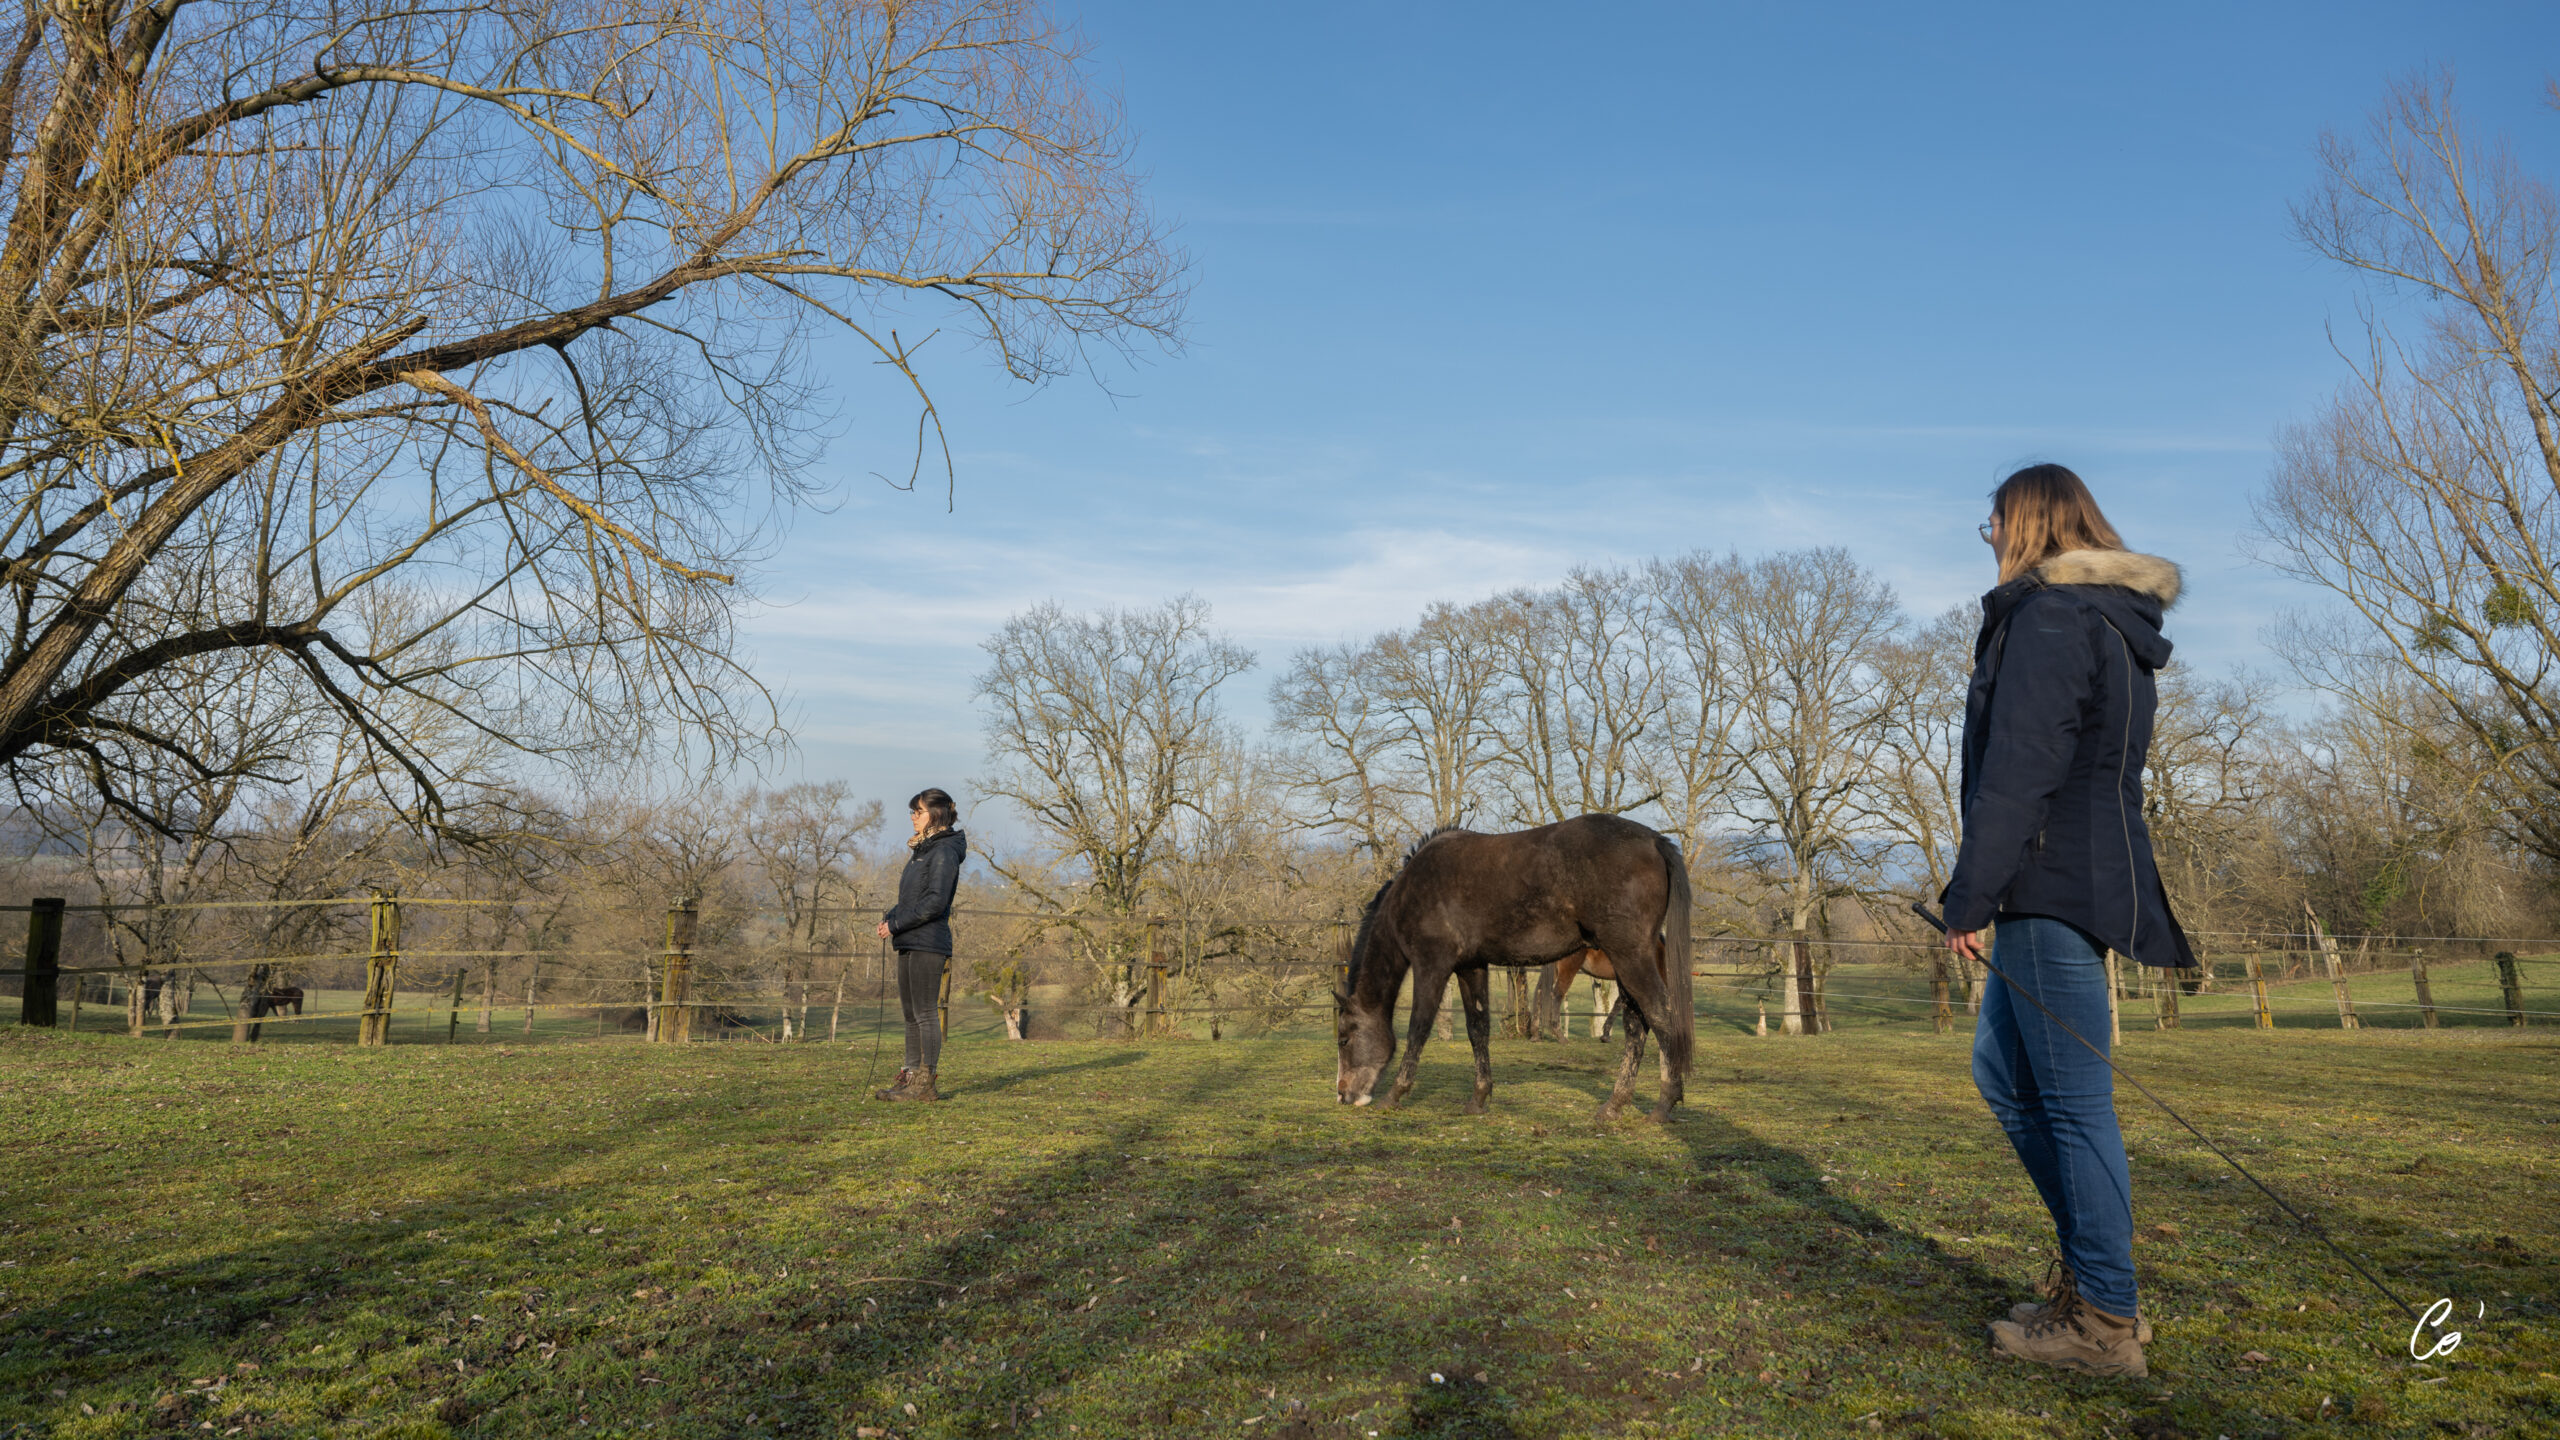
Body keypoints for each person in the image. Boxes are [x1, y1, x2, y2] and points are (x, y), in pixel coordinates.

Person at [1939, 463, 2196, 1378]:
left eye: (1994, 526)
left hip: (2048, 884)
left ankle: (2105, 1320)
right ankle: (2096, 1283)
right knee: (2005, 1076)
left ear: (2028, 524)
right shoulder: (2115, 623)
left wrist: (1969, 896)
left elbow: (2021, 770)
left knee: (2074, 1103)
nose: (1992, 541)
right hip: (2079, 878)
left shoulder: (2051, 618)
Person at [875, 788, 968, 1102]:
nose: (913, 817)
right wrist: (891, 917)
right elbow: (912, 899)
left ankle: (925, 1083)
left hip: (928, 942)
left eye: (918, 811)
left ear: (936, 814)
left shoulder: (943, 851)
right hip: (910, 939)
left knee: (926, 1013)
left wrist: (897, 924)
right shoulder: (922, 850)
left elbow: (935, 903)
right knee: (910, 1014)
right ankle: (910, 1075)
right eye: (912, 812)